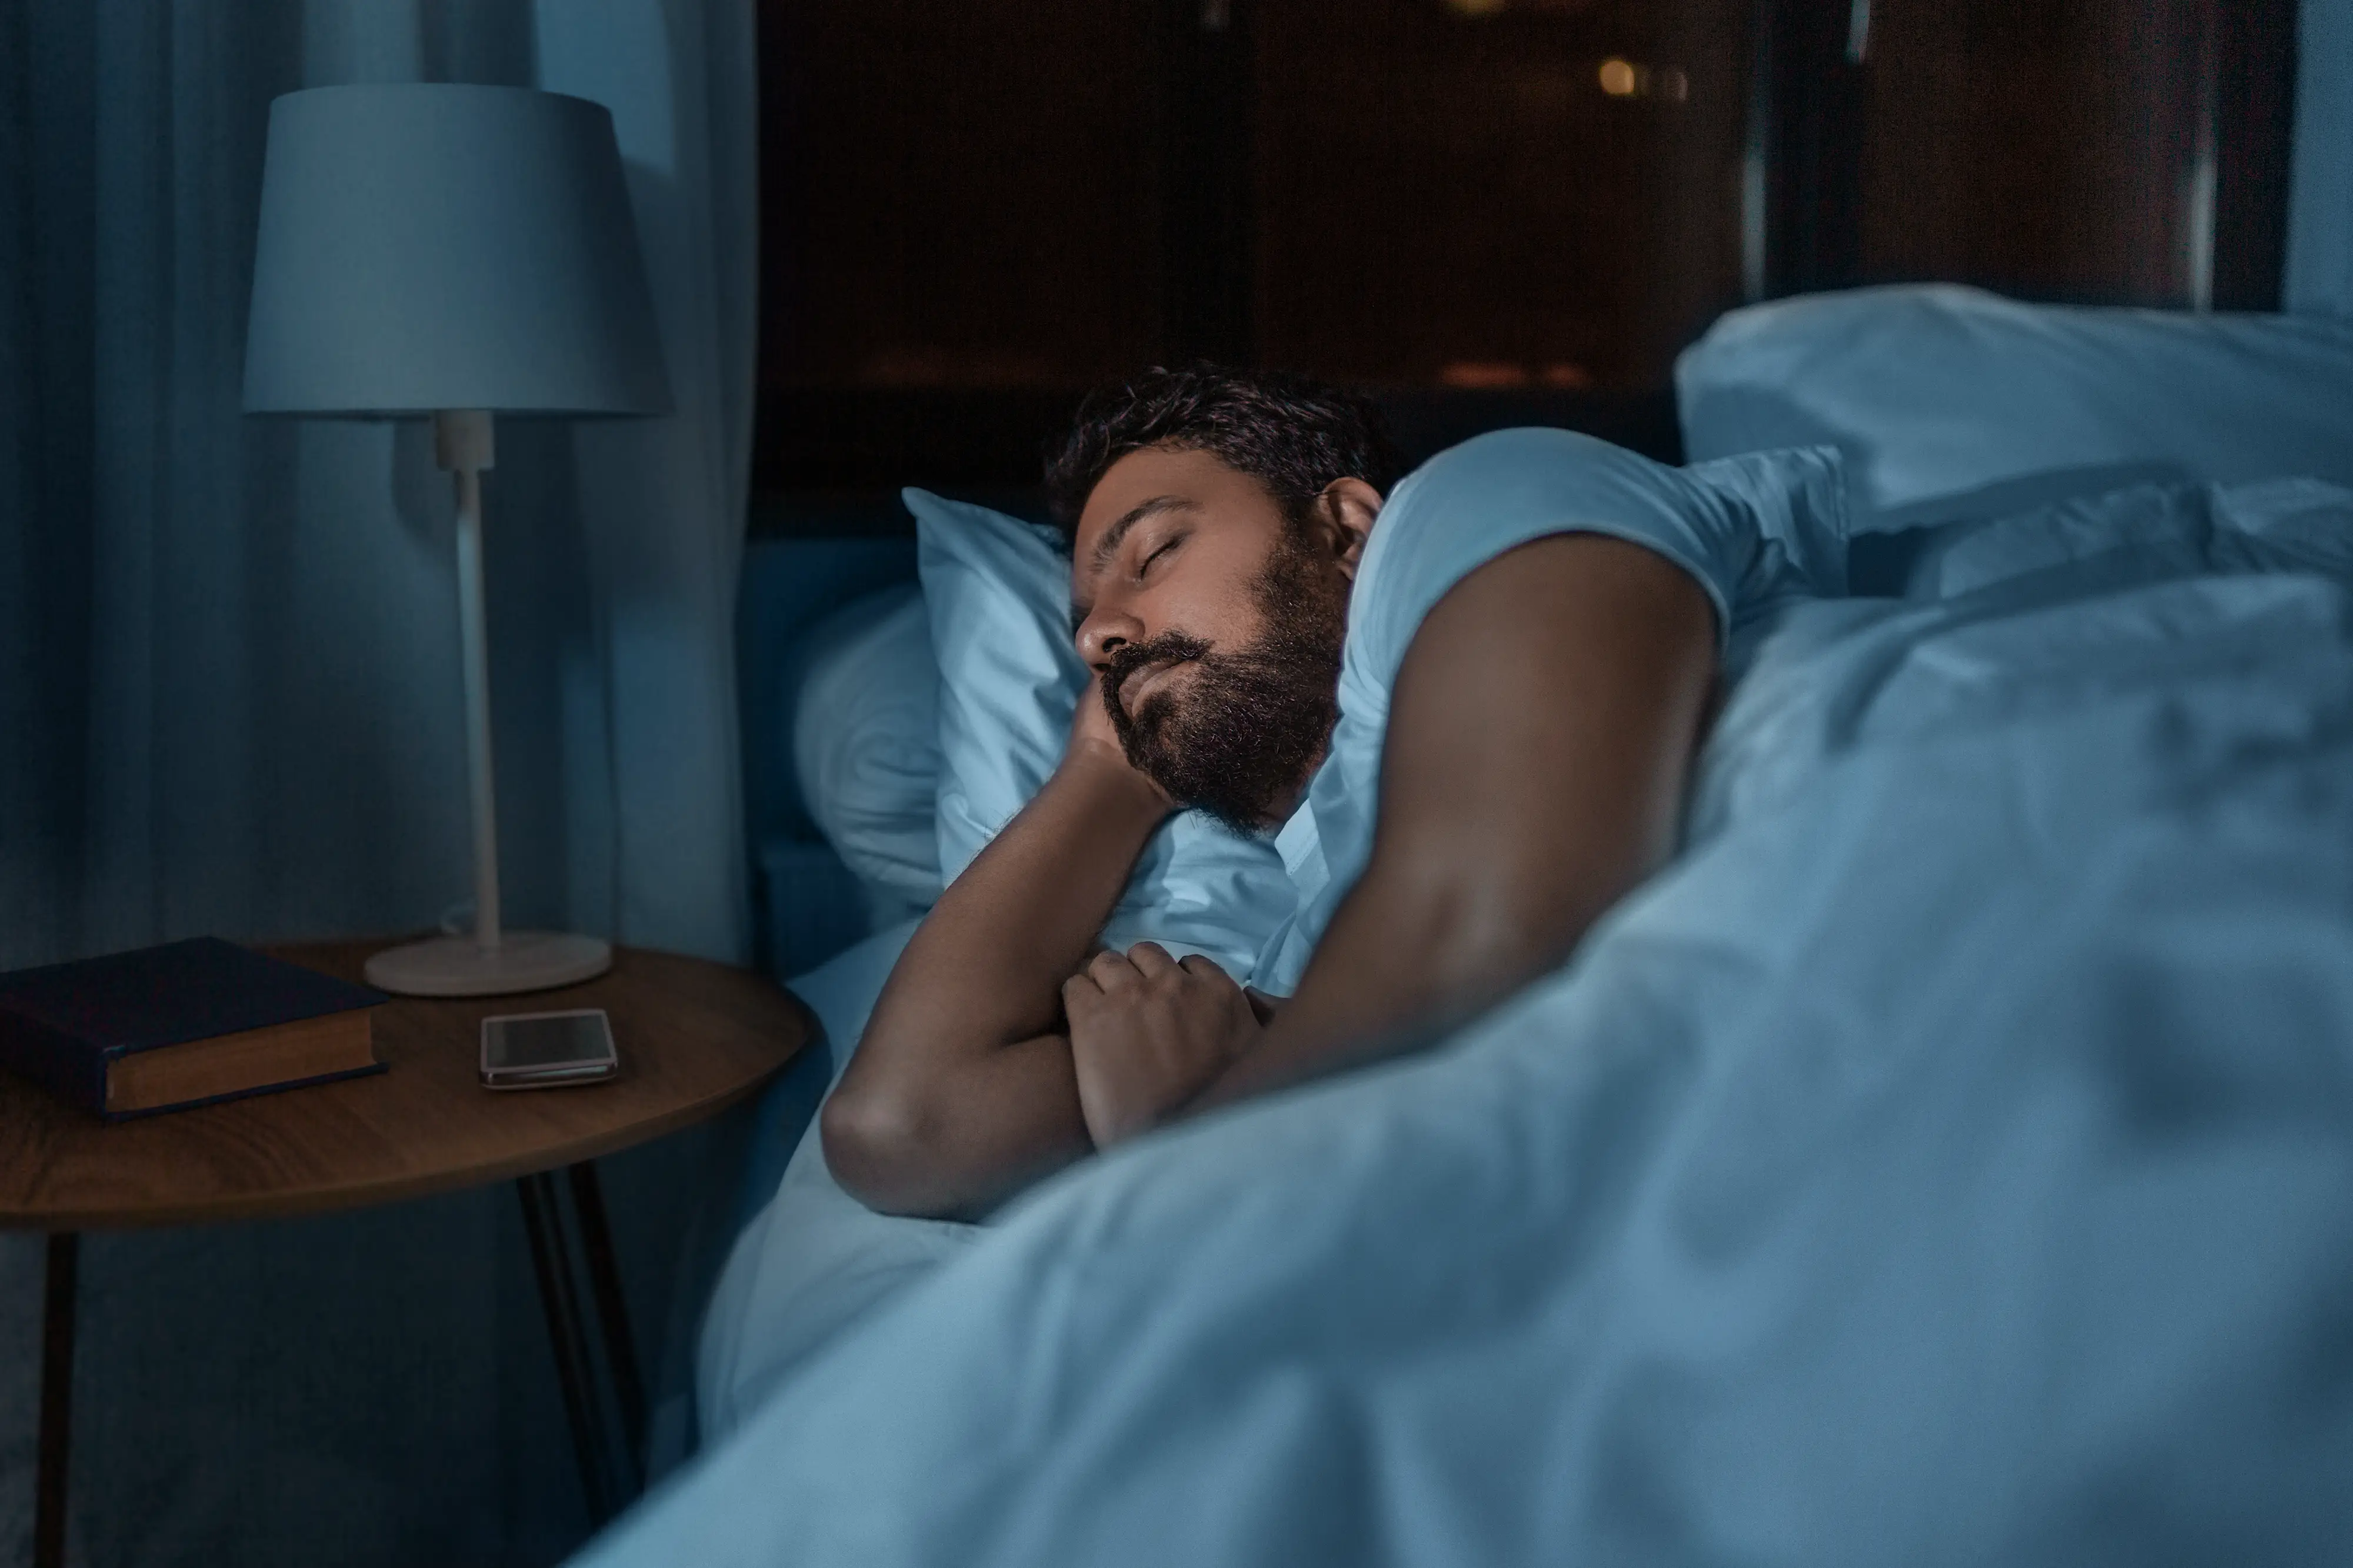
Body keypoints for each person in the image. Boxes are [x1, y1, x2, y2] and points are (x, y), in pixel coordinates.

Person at [822, 365, 1841, 1219]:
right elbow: (900, 1125)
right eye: (1086, 623)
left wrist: (1190, 1141)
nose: (1099, 636)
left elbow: (1493, 929)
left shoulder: (1471, 503)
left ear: (1345, 528)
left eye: (1154, 551)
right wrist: (1102, 776)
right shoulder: (1315, 940)